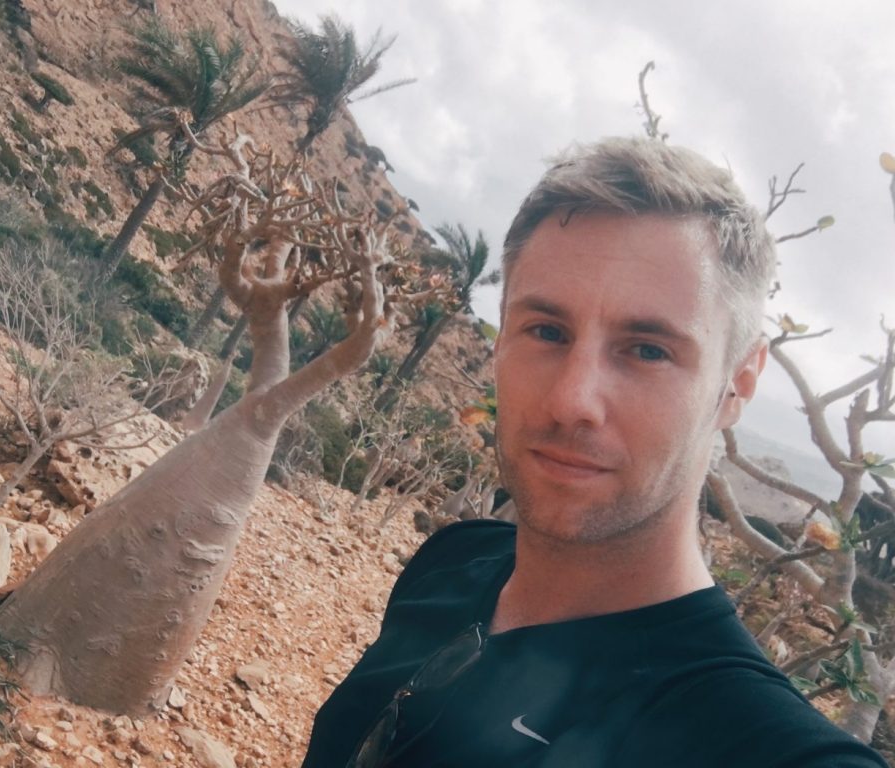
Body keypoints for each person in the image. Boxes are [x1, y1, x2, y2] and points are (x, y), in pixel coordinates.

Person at [301, 138, 889, 767]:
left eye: (647, 349)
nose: (572, 400)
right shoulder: (452, 561)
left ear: (738, 383)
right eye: (547, 331)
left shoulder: (760, 746)